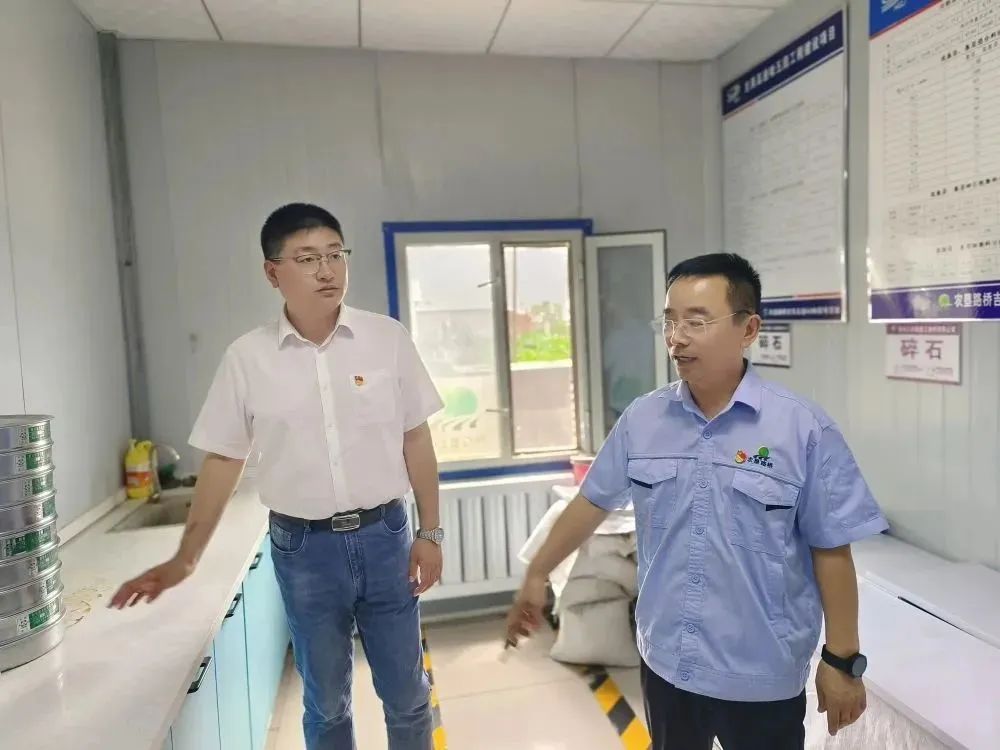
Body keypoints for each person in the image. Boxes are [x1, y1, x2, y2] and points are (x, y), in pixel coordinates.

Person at [506, 253, 887, 750]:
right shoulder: (643, 420)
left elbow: (831, 550)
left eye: (697, 322)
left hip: (761, 673)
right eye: (669, 321)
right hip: (668, 662)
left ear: (749, 329)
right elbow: (590, 503)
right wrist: (537, 573)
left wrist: (841, 660)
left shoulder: (802, 429)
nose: (677, 338)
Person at [111, 203, 445, 750]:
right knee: (326, 703)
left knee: (407, 694)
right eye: (308, 259)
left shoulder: (386, 339)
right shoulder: (248, 359)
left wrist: (430, 532)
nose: (327, 270)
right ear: (273, 272)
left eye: (335, 254)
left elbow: (417, 438)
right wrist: (186, 557)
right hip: (304, 549)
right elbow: (223, 459)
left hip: (386, 537)